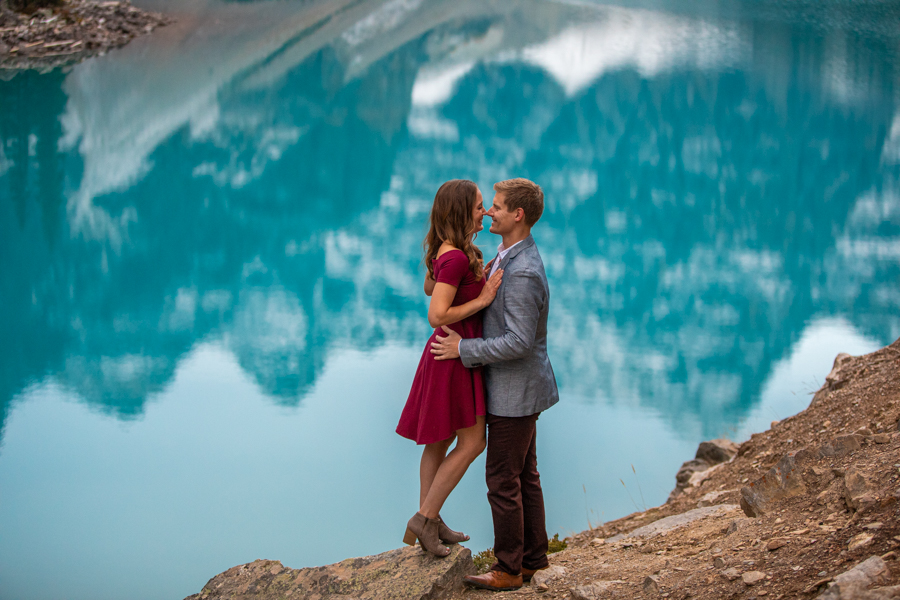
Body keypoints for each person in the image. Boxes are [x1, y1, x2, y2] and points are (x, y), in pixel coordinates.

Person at [431, 177, 559, 591]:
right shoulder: (507, 255)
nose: (488, 212)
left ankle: (508, 569)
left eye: (497, 206)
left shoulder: (521, 272)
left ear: (517, 215)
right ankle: (534, 559)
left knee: (503, 480)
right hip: (520, 388)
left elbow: (520, 342)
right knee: (524, 475)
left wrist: (464, 350)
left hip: (514, 392)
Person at [396, 179, 504, 557]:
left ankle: (431, 517)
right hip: (453, 355)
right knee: (473, 441)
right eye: (478, 206)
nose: (485, 211)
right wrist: (484, 297)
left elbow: (432, 285)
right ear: (461, 212)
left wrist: (473, 275)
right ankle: (425, 518)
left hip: (446, 354)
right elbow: (436, 312)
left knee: (439, 441)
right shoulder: (456, 256)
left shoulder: (451, 252)